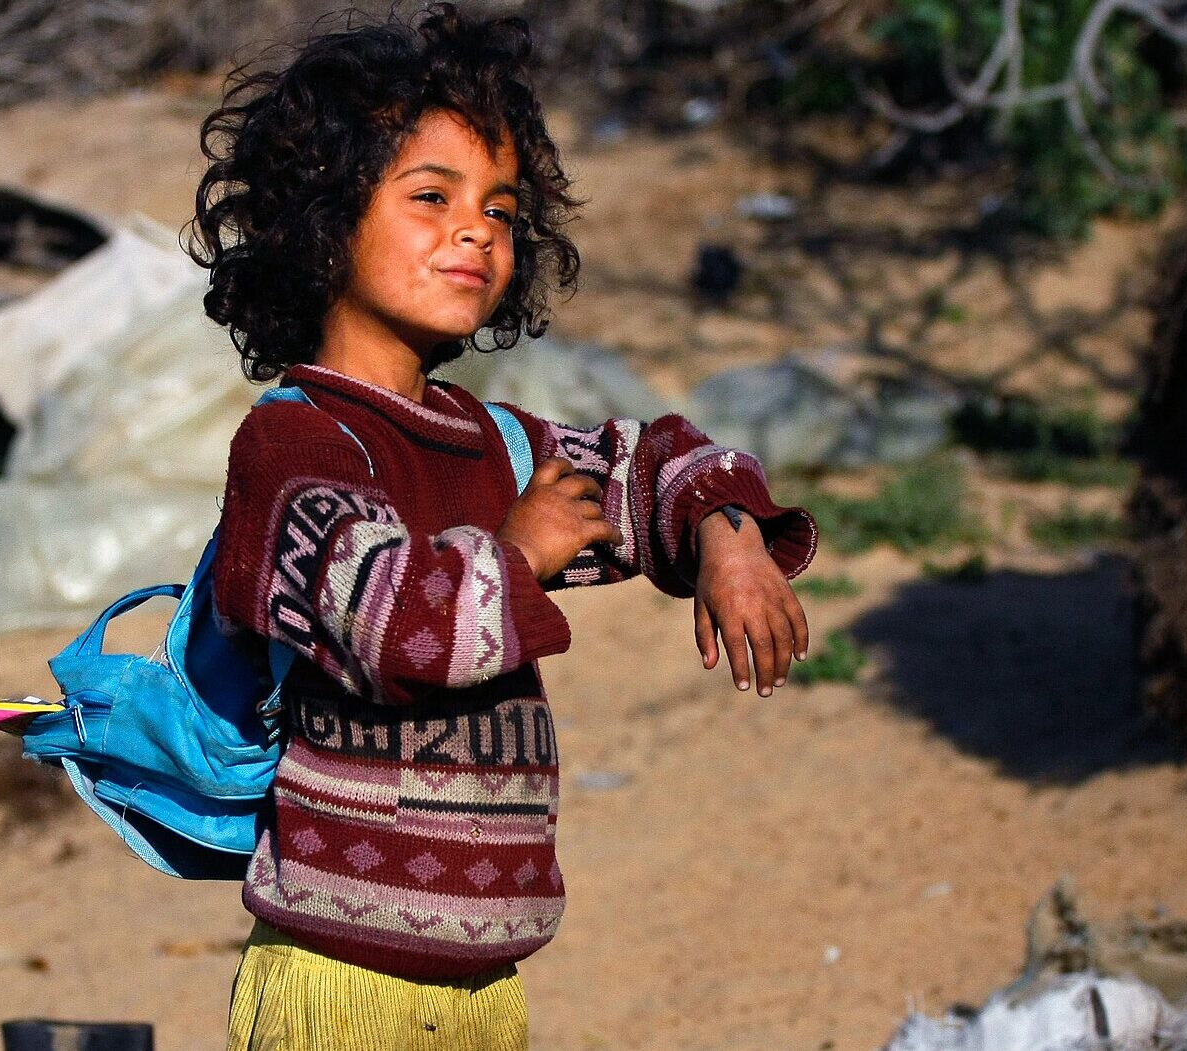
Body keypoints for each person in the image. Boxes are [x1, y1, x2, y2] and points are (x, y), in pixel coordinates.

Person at [188, 6, 818, 1048]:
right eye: (429, 197)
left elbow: (646, 464)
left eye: (499, 206)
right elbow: (390, 628)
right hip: (341, 989)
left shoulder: (490, 443)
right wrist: (518, 551)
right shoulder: (292, 448)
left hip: (488, 988)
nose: (475, 229)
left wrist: (725, 534)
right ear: (321, 219)